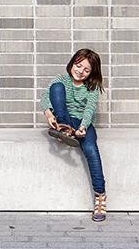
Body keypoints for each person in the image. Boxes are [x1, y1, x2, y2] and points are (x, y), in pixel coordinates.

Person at [39, 48, 107, 222]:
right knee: (55, 88)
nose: (80, 72)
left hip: (82, 123)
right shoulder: (61, 80)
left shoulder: (91, 87)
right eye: (78, 66)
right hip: (65, 119)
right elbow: (45, 97)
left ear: (92, 73)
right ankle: (64, 129)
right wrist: (49, 115)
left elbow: (90, 109)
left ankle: (100, 196)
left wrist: (83, 127)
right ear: (72, 63)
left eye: (86, 70)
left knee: (91, 149)